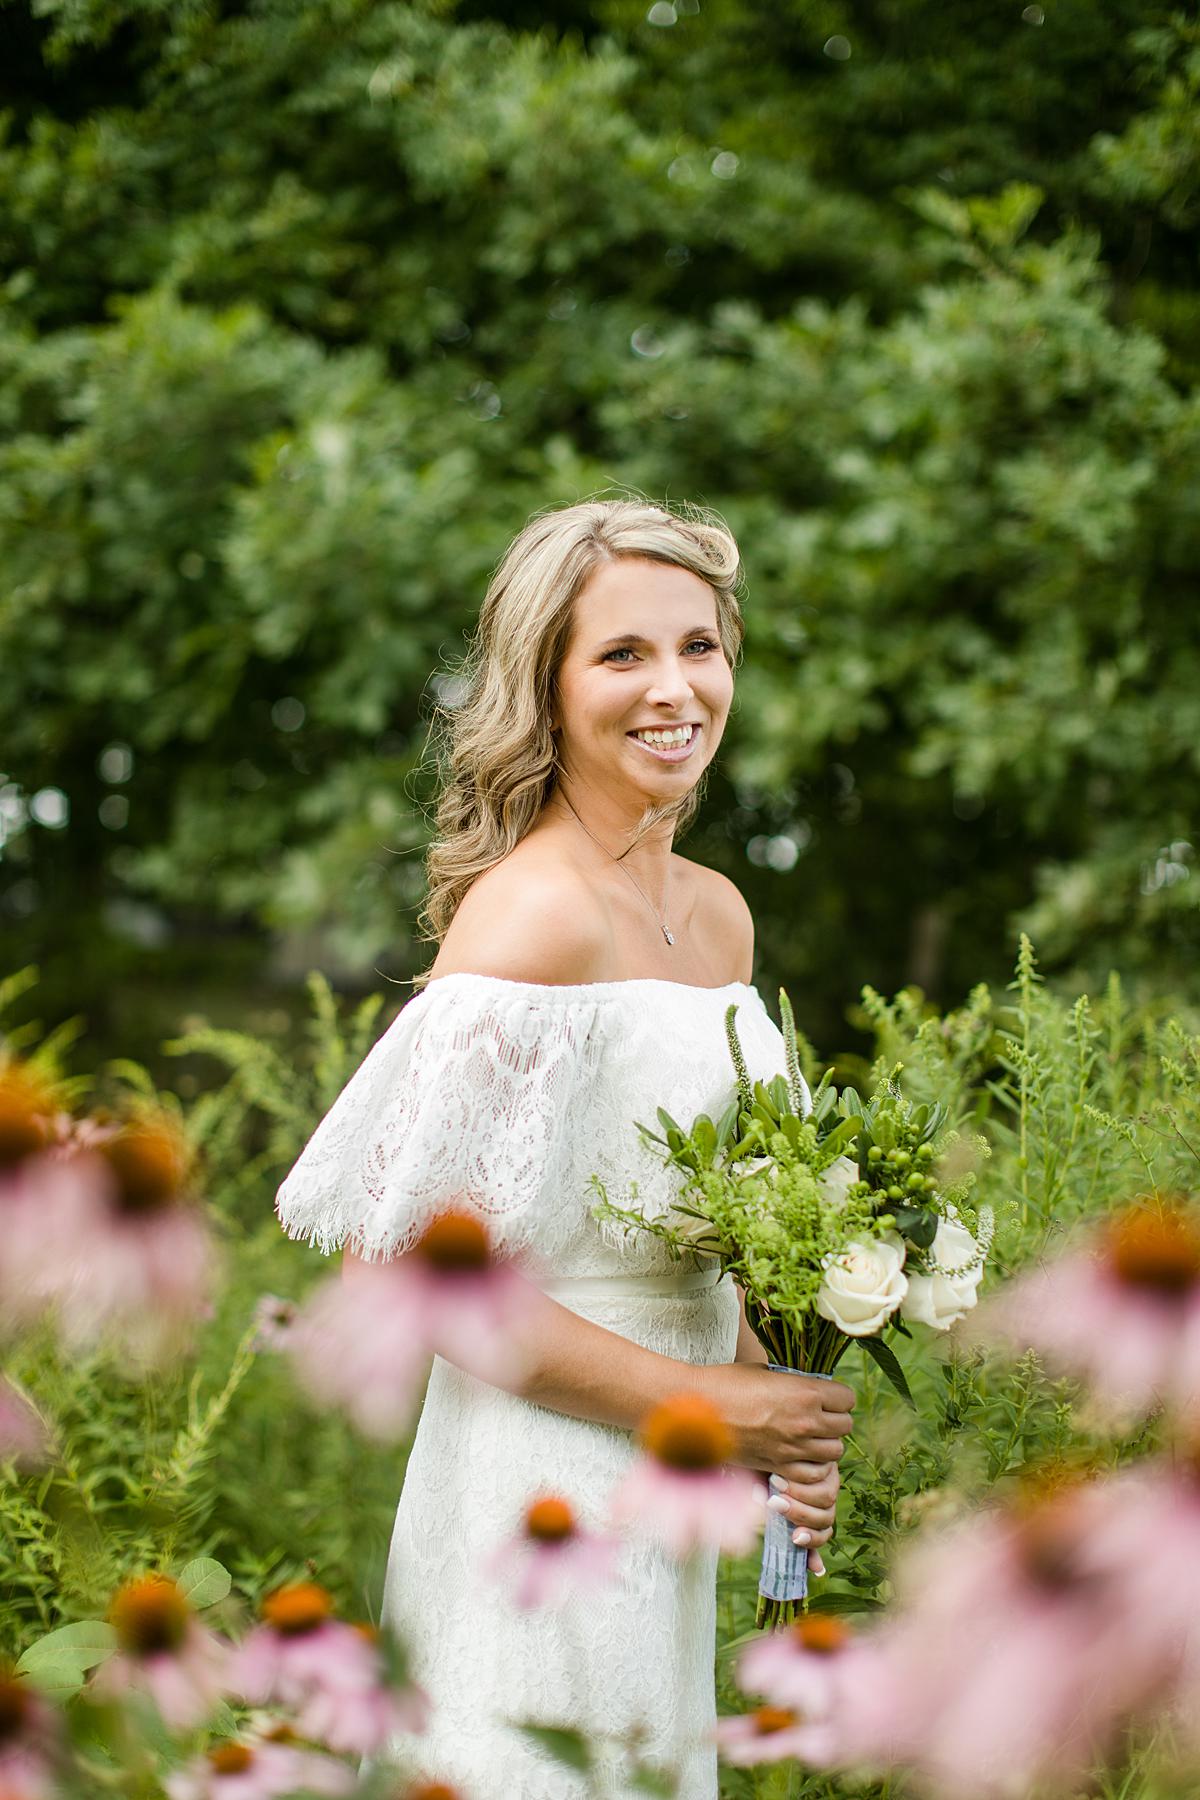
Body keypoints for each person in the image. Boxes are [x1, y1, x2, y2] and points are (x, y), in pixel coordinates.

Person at [274, 496, 855, 1798]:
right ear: (547, 686)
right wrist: (728, 1410)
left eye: (699, 647)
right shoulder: (530, 918)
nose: (676, 688)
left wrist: (784, 1403)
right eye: (623, 654)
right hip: (532, 1499)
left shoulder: (718, 918)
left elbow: (705, 1233)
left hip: (671, 1509)